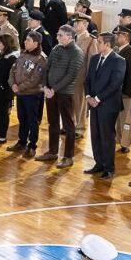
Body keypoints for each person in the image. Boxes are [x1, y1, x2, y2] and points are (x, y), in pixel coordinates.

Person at [39, 24, 85, 167]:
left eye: (60, 35)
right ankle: (52, 152)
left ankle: (68, 156)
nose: (57, 37)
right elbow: (47, 68)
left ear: (70, 37)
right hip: (50, 92)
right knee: (53, 122)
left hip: (65, 93)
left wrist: (55, 89)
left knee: (68, 125)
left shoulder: (77, 52)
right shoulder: (56, 48)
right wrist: (46, 86)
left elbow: (71, 75)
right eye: (58, 34)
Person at [83, 31, 124, 179]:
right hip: (93, 104)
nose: (97, 44)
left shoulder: (118, 61)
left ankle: (109, 167)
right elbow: (87, 80)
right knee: (95, 135)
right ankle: (99, 163)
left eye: (99, 42)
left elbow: (115, 84)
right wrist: (88, 96)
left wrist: (98, 98)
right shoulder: (94, 59)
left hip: (108, 105)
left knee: (107, 136)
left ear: (107, 44)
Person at [8, 29, 47, 154]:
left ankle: (32, 145)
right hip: (19, 93)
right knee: (22, 119)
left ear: (36, 43)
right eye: (25, 40)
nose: (25, 42)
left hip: (31, 94)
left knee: (32, 121)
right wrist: (13, 84)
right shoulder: (23, 54)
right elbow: (13, 70)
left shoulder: (41, 59)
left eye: (28, 40)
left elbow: (35, 79)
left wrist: (19, 87)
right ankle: (22, 142)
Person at [70, 16, 98, 136]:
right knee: (69, 102)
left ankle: (79, 128)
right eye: (74, 22)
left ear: (85, 25)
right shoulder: (72, 37)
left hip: (81, 77)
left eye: (78, 23)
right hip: (69, 77)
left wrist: (89, 80)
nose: (75, 25)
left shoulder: (91, 40)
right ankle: (69, 125)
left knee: (79, 103)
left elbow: (92, 61)